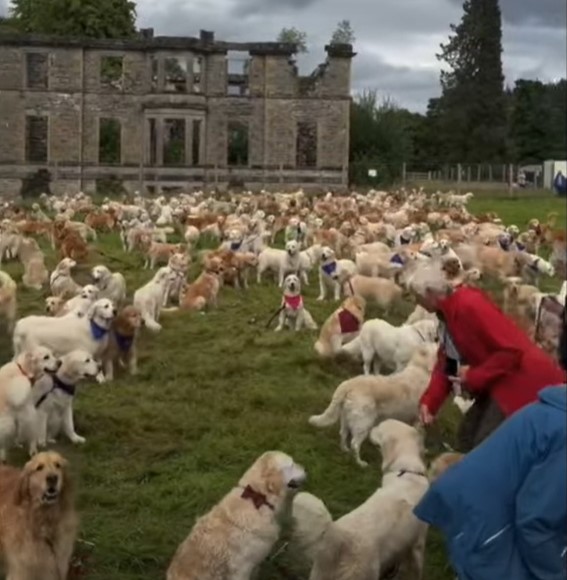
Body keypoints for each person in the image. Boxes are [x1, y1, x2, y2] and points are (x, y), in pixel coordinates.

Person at [413, 319, 567, 580]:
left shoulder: (553, 409)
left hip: (483, 523)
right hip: (492, 541)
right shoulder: (459, 312)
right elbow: (537, 523)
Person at [408, 260, 565, 451]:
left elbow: (511, 351)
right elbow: (448, 361)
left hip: (521, 383)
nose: (417, 303)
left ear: (431, 293)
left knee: (485, 447)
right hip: (498, 379)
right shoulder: (448, 315)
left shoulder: (469, 305)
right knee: (466, 437)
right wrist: (430, 402)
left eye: (418, 297)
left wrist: (473, 376)